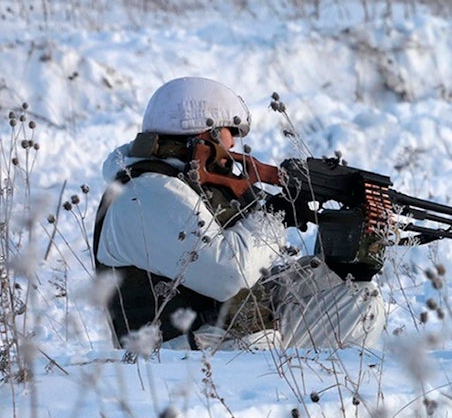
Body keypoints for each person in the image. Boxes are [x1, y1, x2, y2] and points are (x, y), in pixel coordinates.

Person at [93, 76, 387, 352]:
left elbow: (255, 282)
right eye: (229, 132)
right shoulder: (145, 193)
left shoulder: (190, 187)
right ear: (202, 133)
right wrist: (276, 216)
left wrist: (336, 270)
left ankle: (328, 396)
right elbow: (228, 274)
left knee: (358, 299)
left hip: (224, 338)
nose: (233, 144)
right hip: (174, 361)